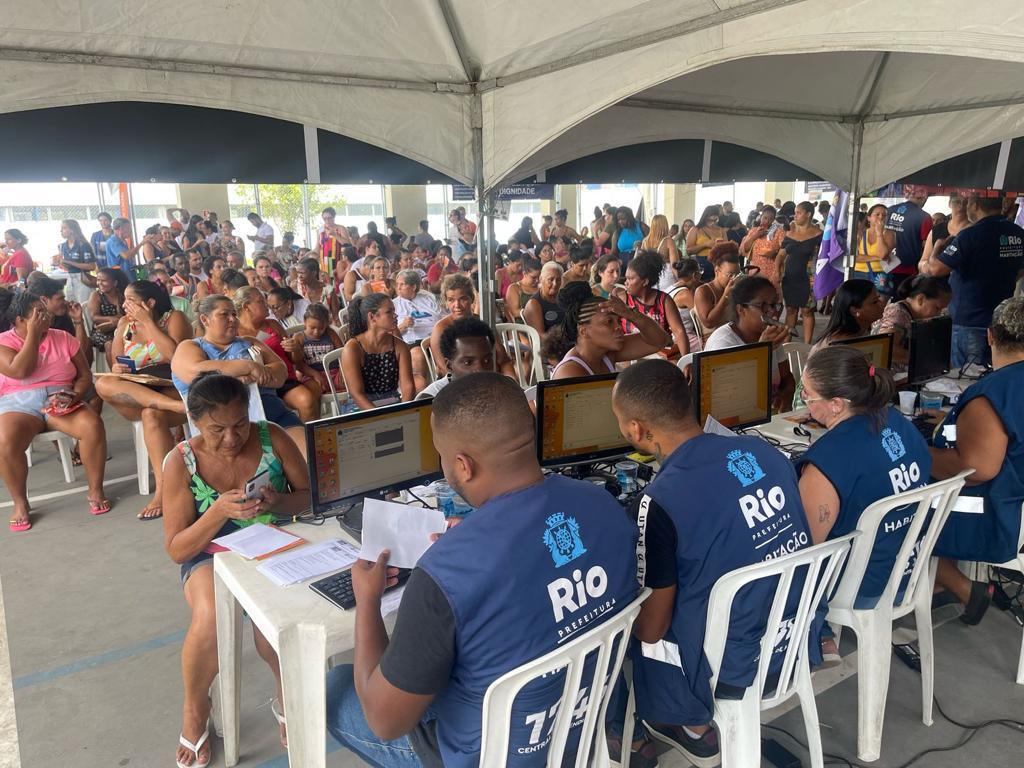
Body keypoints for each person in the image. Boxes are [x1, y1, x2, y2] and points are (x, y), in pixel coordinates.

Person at [326, 372, 638, 766]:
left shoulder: (445, 573)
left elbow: (384, 721)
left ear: (462, 465)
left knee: (336, 687)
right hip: (580, 728)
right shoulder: (604, 506)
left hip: (490, 755)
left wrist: (368, 601)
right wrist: (471, 537)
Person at [611, 359, 812, 767]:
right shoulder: (764, 451)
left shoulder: (660, 500)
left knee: (623, 625)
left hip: (728, 663)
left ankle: (689, 725)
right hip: (790, 634)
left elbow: (652, 630)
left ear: (636, 430)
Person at [163, 373, 309, 767]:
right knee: (210, 616)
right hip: (209, 554)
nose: (231, 438)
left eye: (240, 424)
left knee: (277, 623)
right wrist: (217, 512)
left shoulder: (272, 437)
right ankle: (196, 709)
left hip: (274, 544)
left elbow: (309, 497)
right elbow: (178, 548)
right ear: (195, 422)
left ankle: (286, 696)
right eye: (217, 429)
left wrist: (277, 502)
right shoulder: (181, 462)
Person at [795, 346, 930, 607]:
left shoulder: (827, 461)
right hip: (907, 572)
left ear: (836, 404)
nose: (804, 400)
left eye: (808, 395)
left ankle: (822, 637)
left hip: (858, 588)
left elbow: (805, 550)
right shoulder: (898, 421)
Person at [929, 296, 1024, 623]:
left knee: (894, 505)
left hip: (997, 513)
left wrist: (917, 452)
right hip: (1017, 504)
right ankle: (939, 585)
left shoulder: (994, 391)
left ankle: (964, 589)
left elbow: (976, 469)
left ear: (990, 336)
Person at [0, 291, 110, 530]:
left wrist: (74, 395)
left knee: (92, 426)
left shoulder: (63, 337)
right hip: (19, 402)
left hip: (61, 397)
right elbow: (20, 371)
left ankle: (95, 490)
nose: (46, 316)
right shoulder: (4, 342)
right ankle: (20, 503)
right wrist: (32, 335)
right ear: (20, 320)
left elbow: (84, 376)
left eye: (44, 310)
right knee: (5, 439)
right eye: (38, 313)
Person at [95, 280, 192, 520]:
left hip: (171, 385)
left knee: (151, 414)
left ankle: (163, 490)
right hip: (140, 388)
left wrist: (148, 323)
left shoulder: (173, 318)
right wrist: (118, 369)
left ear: (149, 302)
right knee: (103, 383)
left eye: (131, 300)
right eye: (124, 300)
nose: (126, 305)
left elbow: (176, 357)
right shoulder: (124, 325)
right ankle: (176, 408)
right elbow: (117, 361)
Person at [170, 294, 305, 450]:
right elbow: (195, 372)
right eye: (224, 314)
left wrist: (245, 374)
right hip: (226, 429)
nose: (232, 319)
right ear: (205, 320)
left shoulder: (249, 341)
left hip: (274, 415)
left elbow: (281, 372)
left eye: (234, 314)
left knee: (309, 454)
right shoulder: (191, 346)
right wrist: (249, 367)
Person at [920, 194, 1024, 367]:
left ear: (975, 205)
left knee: (965, 376)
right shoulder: (1018, 233)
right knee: (994, 370)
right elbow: (1020, 270)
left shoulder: (971, 235)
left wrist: (936, 249)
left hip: (969, 318)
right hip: (1001, 317)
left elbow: (936, 269)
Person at [705, 275, 794, 411]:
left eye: (775, 305)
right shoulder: (723, 343)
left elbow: (786, 377)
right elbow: (729, 398)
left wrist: (785, 401)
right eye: (763, 306)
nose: (773, 313)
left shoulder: (770, 336)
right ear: (741, 310)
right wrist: (761, 350)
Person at [548, 281, 670, 378]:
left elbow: (659, 341)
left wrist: (631, 314)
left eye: (618, 321)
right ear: (583, 331)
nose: (618, 327)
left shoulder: (606, 353)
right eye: (609, 322)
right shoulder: (570, 371)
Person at [234, 287, 319, 423]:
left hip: (285, 381)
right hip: (256, 387)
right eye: (260, 301)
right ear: (246, 307)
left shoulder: (272, 325)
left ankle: (308, 440)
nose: (266, 304)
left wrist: (295, 349)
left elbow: (294, 360)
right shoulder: (235, 332)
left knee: (307, 400)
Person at [341, 293, 414, 409]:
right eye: (389, 312)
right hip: (361, 407)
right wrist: (380, 418)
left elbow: (408, 386)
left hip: (392, 402)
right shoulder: (353, 348)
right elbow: (357, 393)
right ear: (372, 317)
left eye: (393, 311)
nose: (395, 316)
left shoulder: (399, 346)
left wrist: (403, 413)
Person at [615, 250, 689, 358]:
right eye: (626, 278)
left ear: (645, 281)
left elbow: (679, 332)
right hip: (632, 355)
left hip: (661, 354)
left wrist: (685, 361)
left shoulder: (664, 301)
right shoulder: (622, 299)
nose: (626, 283)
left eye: (630, 279)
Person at [870, 276, 951, 373]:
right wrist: (927, 361)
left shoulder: (916, 315)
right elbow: (887, 348)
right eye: (937, 308)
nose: (939, 314)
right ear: (920, 299)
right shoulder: (897, 314)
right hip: (888, 378)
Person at [776, 201, 824, 344]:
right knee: (791, 310)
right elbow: (780, 255)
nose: (795, 215)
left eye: (798, 212)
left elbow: (824, 258)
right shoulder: (790, 234)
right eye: (795, 212)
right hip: (790, 278)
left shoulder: (819, 235)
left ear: (808, 214)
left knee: (807, 311)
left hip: (809, 278)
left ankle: (807, 345)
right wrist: (777, 271)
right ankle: (787, 343)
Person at [416, 317, 496, 399]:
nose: (481, 369)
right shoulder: (431, 398)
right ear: (449, 365)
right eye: (468, 362)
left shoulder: (502, 388)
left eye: (487, 360)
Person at [393, 270, 444, 391]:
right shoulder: (393, 305)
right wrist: (403, 326)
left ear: (414, 287)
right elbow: (388, 334)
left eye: (402, 284)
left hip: (435, 338)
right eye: (397, 284)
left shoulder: (428, 298)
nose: (398, 288)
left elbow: (442, 317)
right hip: (412, 343)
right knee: (417, 353)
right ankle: (421, 394)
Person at [284, 302, 346, 398]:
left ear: (326, 324)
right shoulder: (299, 337)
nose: (316, 332)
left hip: (335, 372)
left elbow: (342, 353)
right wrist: (315, 374)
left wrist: (342, 371)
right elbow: (298, 365)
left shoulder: (330, 334)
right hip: (311, 375)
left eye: (321, 328)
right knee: (312, 391)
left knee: (350, 381)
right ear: (305, 322)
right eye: (312, 328)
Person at [809, 278, 884, 355]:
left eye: (878, 298)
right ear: (855, 311)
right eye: (875, 302)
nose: (881, 303)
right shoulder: (843, 345)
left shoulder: (856, 333)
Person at [884, 187, 933, 291]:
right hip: (907, 268)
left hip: (884, 264)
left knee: (881, 300)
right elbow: (927, 244)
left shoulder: (889, 210)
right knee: (902, 300)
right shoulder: (924, 217)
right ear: (923, 197)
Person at [693, 241, 742, 340]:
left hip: (735, 338)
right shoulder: (703, 291)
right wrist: (726, 296)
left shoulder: (737, 288)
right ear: (717, 270)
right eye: (730, 275)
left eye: (737, 274)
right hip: (715, 342)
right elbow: (709, 323)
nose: (734, 279)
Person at [88, 267, 130, 365]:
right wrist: (114, 320)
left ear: (115, 283)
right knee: (110, 344)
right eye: (98, 280)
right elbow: (94, 317)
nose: (99, 283)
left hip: (122, 328)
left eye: (104, 280)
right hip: (103, 331)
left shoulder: (122, 295)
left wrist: (118, 322)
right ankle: (116, 374)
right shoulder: (96, 295)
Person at [853, 203, 897, 297]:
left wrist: (879, 233)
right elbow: (855, 257)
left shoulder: (889, 234)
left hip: (880, 274)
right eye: (877, 214)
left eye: (884, 215)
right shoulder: (860, 234)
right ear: (869, 218)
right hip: (859, 273)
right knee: (860, 303)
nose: (881, 217)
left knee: (879, 304)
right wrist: (877, 258)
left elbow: (883, 255)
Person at [52, 219, 96, 302]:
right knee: (70, 304)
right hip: (70, 277)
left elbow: (92, 266)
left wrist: (69, 262)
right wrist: (58, 262)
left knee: (84, 305)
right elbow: (67, 267)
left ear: (72, 230)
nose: (61, 231)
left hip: (83, 277)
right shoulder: (63, 246)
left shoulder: (83, 245)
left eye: (64, 228)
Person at [740, 204, 784, 285]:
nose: (767, 221)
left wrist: (775, 253)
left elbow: (784, 251)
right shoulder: (754, 231)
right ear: (761, 216)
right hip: (755, 270)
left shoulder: (779, 232)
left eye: (771, 219)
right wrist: (755, 236)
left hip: (772, 271)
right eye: (765, 218)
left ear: (774, 219)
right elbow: (745, 249)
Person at [667, 258, 703, 353]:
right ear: (695, 275)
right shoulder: (686, 294)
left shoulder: (670, 288)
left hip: (669, 335)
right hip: (682, 338)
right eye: (700, 271)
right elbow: (702, 318)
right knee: (714, 345)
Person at [523, 261, 565, 337]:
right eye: (550, 279)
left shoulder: (563, 297)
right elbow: (540, 337)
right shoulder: (534, 304)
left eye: (558, 280)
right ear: (541, 279)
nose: (555, 284)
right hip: (551, 345)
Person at [686, 205, 726, 281]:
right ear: (706, 216)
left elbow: (727, 247)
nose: (714, 219)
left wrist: (721, 245)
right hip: (702, 263)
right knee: (703, 286)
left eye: (716, 216)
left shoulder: (721, 230)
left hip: (719, 262)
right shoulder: (695, 229)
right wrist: (705, 244)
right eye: (712, 216)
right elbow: (688, 250)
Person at [641, 214, 682, 286]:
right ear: (665, 225)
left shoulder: (645, 241)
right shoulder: (669, 241)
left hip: (650, 277)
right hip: (666, 277)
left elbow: (641, 262)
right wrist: (680, 280)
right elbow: (675, 265)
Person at [503, 254, 541, 322]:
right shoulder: (514, 288)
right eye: (533, 277)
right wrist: (535, 311)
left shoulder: (541, 286)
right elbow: (514, 312)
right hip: (524, 327)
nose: (537, 280)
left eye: (539, 277)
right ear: (524, 274)